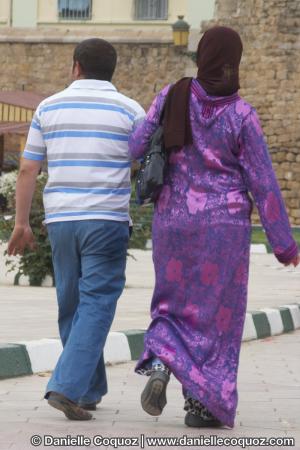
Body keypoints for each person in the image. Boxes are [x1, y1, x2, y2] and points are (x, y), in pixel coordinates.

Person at [129, 26, 299, 429]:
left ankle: (161, 364)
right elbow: (263, 181)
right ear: (233, 62)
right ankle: (202, 406)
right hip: (224, 230)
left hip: (173, 223)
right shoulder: (241, 114)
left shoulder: (172, 96)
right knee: (217, 318)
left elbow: (136, 145)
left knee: (171, 304)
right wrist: (284, 245)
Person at [8, 38, 145, 420]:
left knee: (72, 304)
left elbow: (28, 168)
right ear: (112, 70)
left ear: (75, 67)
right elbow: (142, 163)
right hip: (106, 220)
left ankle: (88, 390)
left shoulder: (48, 108)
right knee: (98, 302)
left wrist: (21, 223)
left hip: (62, 220)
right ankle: (67, 387)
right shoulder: (131, 110)